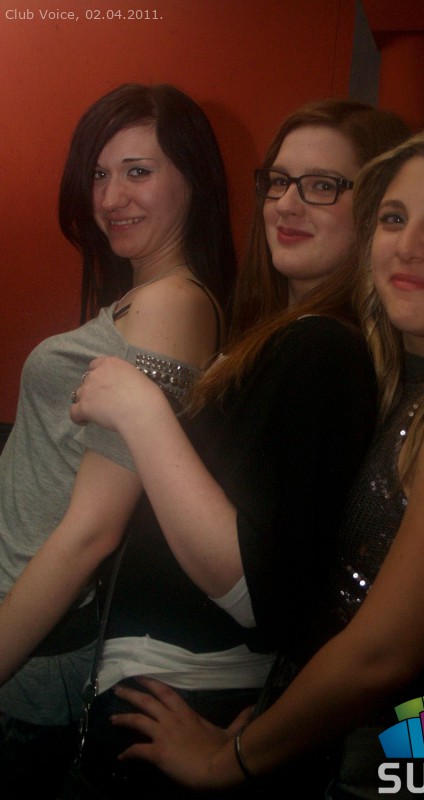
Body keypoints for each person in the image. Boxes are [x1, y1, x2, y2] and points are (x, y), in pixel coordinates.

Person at [102, 124, 424, 797]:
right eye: (393, 218)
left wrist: (227, 760)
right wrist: (275, 724)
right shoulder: (405, 380)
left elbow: (381, 656)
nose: (408, 246)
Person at [0, 99, 411, 798]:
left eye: (323, 186)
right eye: (278, 182)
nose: (288, 203)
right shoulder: (284, 333)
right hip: (144, 682)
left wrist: (140, 410)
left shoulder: (319, 346)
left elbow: (258, 591)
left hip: (149, 684)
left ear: (375, 208)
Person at [0, 82, 236, 796]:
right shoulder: (144, 299)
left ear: (193, 179)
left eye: (138, 171)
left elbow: (93, 530)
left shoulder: (173, 306)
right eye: (100, 175)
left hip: (29, 641)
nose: (109, 198)